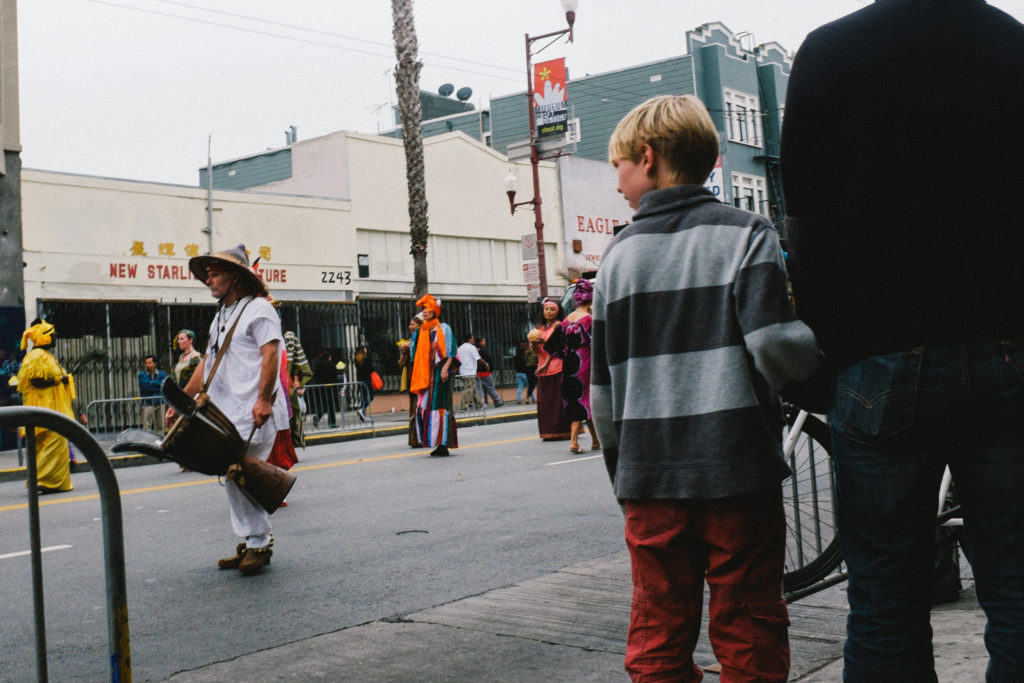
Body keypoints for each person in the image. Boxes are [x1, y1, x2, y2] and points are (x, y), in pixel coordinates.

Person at [781, 3, 1024, 680]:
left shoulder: (830, 52)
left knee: (885, 596)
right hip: (1008, 350)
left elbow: (803, 221)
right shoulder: (1013, 47)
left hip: (875, 357)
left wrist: (824, 353)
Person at [591, 95, 819, 682]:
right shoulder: (746, 233)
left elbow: (603, 391)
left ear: (647, 158)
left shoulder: (615, 256)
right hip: (737, 468)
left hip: (650, 478)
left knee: (658, 626)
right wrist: (815, 373)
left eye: (617, 164)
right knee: (748, 622)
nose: (615, 181)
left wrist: (625, 471)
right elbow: (773, 344)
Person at [171, 244, 289, 576]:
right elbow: (208, 361)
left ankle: (258, 543)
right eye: (207, 275)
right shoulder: (222, 314)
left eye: (215, 273)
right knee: (234, 478)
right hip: (225, 413)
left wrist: (264, 399)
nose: (209, 280)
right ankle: (253, 541)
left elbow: (271, 355)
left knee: (240, 476)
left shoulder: (260, 311)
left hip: (251, 412)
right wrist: (182, 399)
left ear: (235, 277)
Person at [15, 319, 75, 494]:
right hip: (44, 407)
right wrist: (59, 379)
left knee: (52, 443)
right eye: (53, 336)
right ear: (45, 338)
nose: (55, 338)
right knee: (54, 442)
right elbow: (37, 381)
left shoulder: (44, 355)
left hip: (51, 406)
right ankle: (42, 480)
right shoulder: (37, 356)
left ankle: (54, 482)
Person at [542, 279, 599, 454]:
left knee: (582, 402)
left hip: (568, 365)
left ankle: (596, 440)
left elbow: (551, 346)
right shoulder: (589, 319)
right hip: (584, 365)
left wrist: (548, 362)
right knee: (581, 401)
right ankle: (573, 442)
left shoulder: (567, 320)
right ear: (590, 300)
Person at [409, 294, 458, 457]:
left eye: (427, 308)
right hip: (427, 373)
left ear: (435, 310)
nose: (424, 311)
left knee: (440, 406)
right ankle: (434, 442)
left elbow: (451, 351)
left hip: (440, 373)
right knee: (425, 407)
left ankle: (443, 444)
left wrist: (445, 368)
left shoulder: (444, 328)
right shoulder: (423, 331)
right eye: (422, 309)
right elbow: (416, 356)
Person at [530, 298, 570, 441]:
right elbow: (537, 351)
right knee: (545, 402)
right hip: (543, 367)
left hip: (557, 366)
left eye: (552, 309)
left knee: (557, 401)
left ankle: (563, 431)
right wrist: (535, 344)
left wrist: (544, 342)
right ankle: (548, 432)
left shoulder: (559, 326)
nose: (549, 312)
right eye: (546, 309)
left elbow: (557, 347)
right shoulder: (540, 328)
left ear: (558, 312)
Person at [398, 314, 423, 446]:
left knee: (418, 407)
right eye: (410, 324)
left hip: (418, 377)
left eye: (413, 324)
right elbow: (402, 362)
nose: (410, 327)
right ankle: (415, 438)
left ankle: (418, 438)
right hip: (412, 378)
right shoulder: (412, 341)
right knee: (414, 407)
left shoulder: (419, 338)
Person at [137, 355, 167, 434]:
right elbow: (145, 387)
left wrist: (152, 383)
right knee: (147, 426)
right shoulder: (142, 375)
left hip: (160, 402)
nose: (147, 365)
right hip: (148, 403)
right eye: (146, 363)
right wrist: (157, 385)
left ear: (155, 364)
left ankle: (159, 443)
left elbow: (164, 386)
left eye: (149, 363)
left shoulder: (162, 374)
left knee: (160, 426)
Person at [311, 350, 338, 429]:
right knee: (331, 406)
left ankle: (317, 416)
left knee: (324, 405)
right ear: (328, 357)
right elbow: (334, 374)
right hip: (330, 388)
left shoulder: (318, 365)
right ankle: (332, 423)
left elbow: (315, 376)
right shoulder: (330, 365)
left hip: (321, 388)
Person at [455, 332, 483, 410]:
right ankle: (463, 407)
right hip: (469, 372)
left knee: (472, 389)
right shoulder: (471, 347)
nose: (473, 340)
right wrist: (486, 364)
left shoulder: (460, 348)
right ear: (470, 339)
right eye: (473, 338)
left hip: (463, 372)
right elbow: (478, 358)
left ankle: (479, 404)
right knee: (468, 390)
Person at [474, 336, 504, 407]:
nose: (485, 342)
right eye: (484, 341)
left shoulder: (475, 350)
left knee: (478, 389)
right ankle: (497, 401)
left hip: (476, 372)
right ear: (480, 342)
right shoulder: (483, 350)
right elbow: (489, 359)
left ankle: (480, 403)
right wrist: (491, 369)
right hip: (485, 372)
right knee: (490, 387)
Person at [352, 345, 374, 422]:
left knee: (363, 397)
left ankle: (363, 416)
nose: (366, 350)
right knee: (371, 397)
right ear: (363, 351)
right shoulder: (367, 360)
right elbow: (372, 369)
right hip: (367, 380)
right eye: (365, 349)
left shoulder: (357, 360)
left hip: (360, 381)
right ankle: (362, 409)